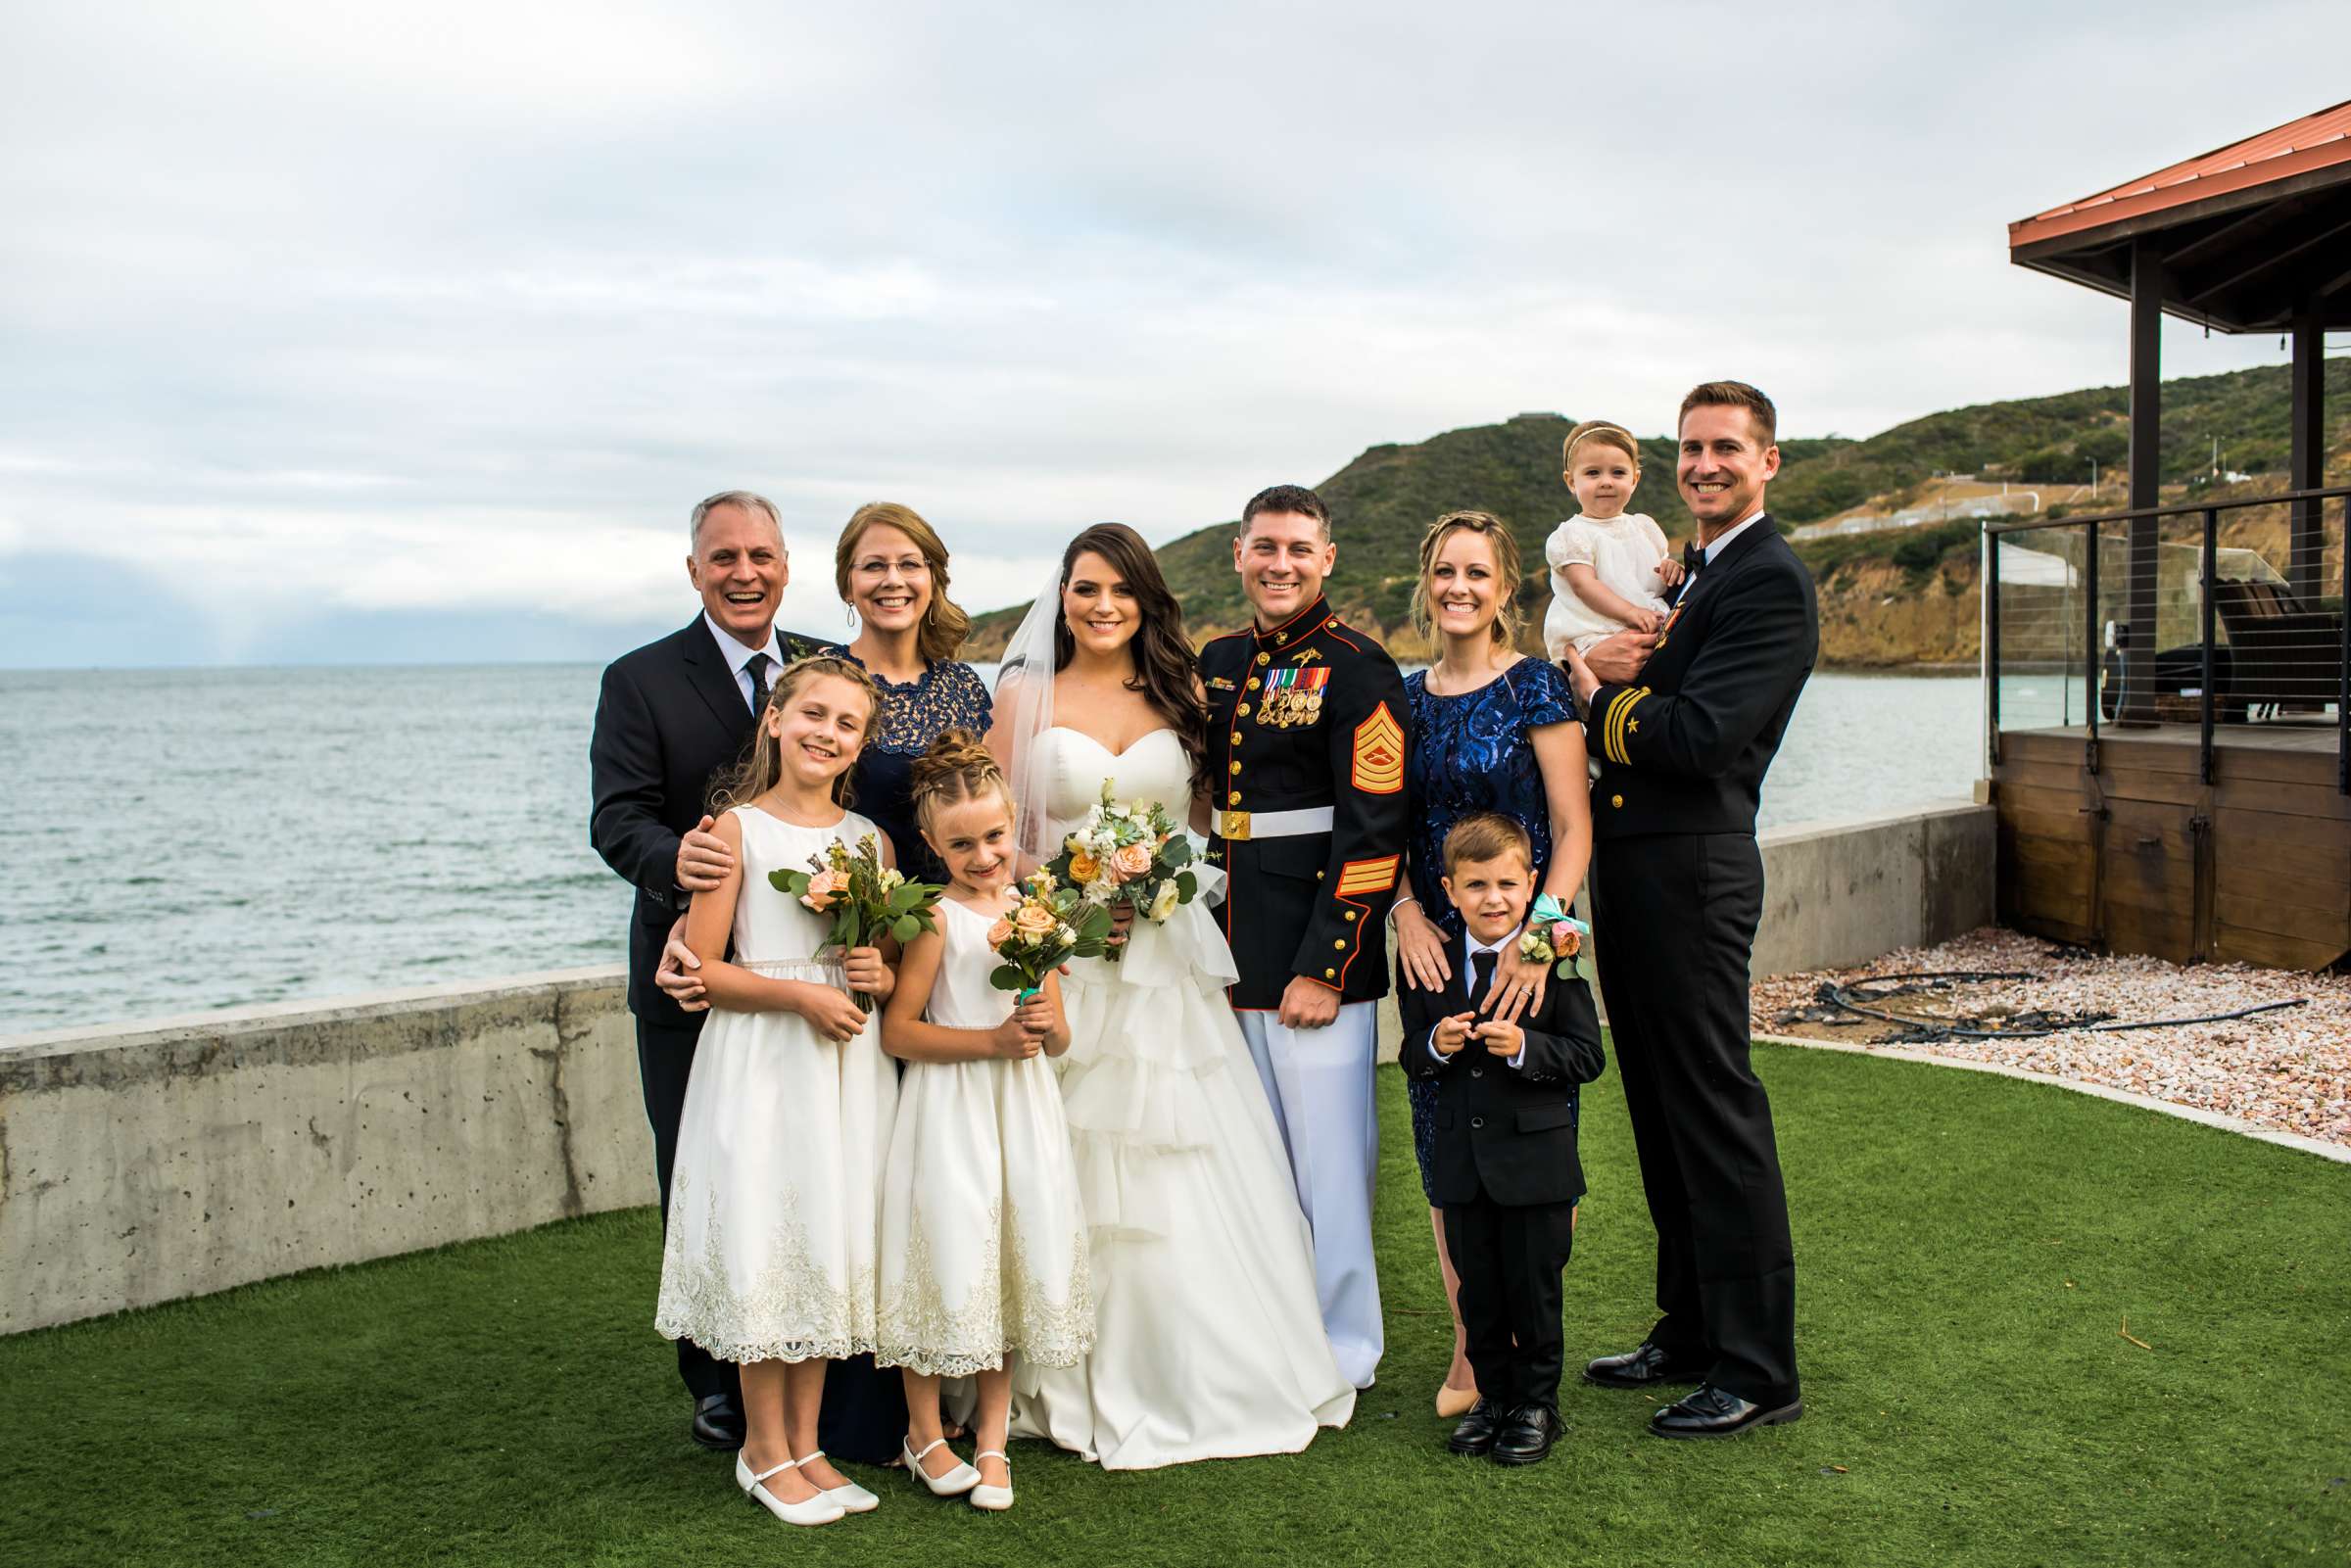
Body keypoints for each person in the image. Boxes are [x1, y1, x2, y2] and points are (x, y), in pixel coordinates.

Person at [990, 523, 1356, 1468]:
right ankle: (1057, 1367)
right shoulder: (1022, 694)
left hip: (1164, 956)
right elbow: (999, 836)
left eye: (1120, 589)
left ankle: (1203, 1362)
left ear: (1147, 599)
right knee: (1067, 1147)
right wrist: (1074, 897)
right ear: (1061, 596)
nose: (1101, 605)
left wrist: (1157, 885)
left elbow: (1206, 824)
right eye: (1084, 588)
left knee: (1180, 1146)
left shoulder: (1182, 690)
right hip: (1069, 954)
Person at [1561, 380, 1817, 1440]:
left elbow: (1703, 735)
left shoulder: (1769, 580)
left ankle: (1758, 1367)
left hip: (1696, 870)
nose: (1703, 464)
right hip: (1637, 864)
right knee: (1662, 1112)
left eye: (1725, 448)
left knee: (1713, 1110)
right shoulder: (1693, 569)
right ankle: (1690, 1325)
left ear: (1767, 461)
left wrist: (1595, 693)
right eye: (1690, 449)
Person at [589, 489, 829, 1450]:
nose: (744, 572)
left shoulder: (826, 666)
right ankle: (717, 1379)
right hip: (688, 979)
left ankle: (823, 1359)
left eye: (761, 555)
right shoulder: (639, 678)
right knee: (702, 1174)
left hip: (808, 976)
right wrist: (669, 859)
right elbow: (616, 817)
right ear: (695, 571)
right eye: (724, 556)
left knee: (810, 1169)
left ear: (784, 564)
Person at [650, 653, 899, 1528]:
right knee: (769, 1237)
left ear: (860, 743)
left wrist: (873, 967)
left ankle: (808, 1443)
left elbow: (883, 964)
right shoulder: (734, 831)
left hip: (842, 1064)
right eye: (814, 715)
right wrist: (800, 992)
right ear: (775, 720)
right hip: (763, 1058)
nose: (827, 734)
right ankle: (763, 1450)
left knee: (822, 1240)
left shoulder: (870, 841)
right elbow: (705, 970)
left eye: (847, 724)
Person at [1198, 484, 1410, 1390]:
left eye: (1298, 548)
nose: (1279, 563)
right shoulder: (1216, 660)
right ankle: (1268, 1334)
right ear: (1238, 556)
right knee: (1250, 1160)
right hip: (1224, 944)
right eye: (1264, 547)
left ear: (1327, 560)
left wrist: (1329, 965)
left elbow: (1375, 829)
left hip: (1315, 956)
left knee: (1328, 1163)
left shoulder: (1360, 667)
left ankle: (1345, 1346)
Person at [1390, 509, 1591, 1418]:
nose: (1458, 587)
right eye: (1444, 571)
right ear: (1425, 583)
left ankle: (1530, 1346)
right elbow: (1383, 824)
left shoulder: (1537, 689)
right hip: (1434, 950)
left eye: (1476, 572)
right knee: (1446, 1153)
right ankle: (1472, 1348)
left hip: (1527, 940)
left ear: (1505, 587)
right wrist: (1405, 914)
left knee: (1528, 1136)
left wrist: (1540, 937)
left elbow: (1573, 824)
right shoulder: (1403, 696)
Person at [876, 732, 1091, 1514]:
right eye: (961, 842)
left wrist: (1042, 1024)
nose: (983, 854)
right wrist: (990, 1041)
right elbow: (899, 1030)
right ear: (931, 844)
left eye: (995, 836)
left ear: (1015, 828)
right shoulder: (933, 919)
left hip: (1022, 1110)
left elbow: (1060, 1037)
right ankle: (924, 1430)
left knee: (1005, 1258)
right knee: (947, 1255)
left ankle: (993, 1437)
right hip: (950, 1110)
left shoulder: (1037, 910)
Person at [1400, 814, 1605, 1467]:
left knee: (1533, 1289)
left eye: (1508, 884)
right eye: (1477, 884)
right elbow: (1410, 1051)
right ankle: (1491, 1395)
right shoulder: (1429, 968)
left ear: (1533, 885)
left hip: (1537, 1166)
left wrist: (1524, 1048)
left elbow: (1586, 1055)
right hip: (1463, 1166)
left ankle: (1536, 1403)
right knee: (1477, 1291)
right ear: (1449, 889)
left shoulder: (1557, 959)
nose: (1494, 898)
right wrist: (1437, 1043)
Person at [832, 501, 994, 886]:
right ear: (847, 585)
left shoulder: (964, 687)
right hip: (850, 915)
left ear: (933, 578)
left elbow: (993, 815)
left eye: (909, 564)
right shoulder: (823, 680)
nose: (893, 579)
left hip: (951, 916)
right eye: (874, 566)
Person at [1542, 420, 1685, 658]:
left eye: (1618, 472)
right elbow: (1584, 586)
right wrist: (1630, 613)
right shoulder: (1573, 534)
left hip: (1648, 624)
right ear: (1571, 481)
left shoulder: (1644, 527)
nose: (1606, 481)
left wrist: (1670, 569)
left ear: (1634, 480)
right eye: (1592, 473)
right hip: (1596, 633)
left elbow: (1654, 576)